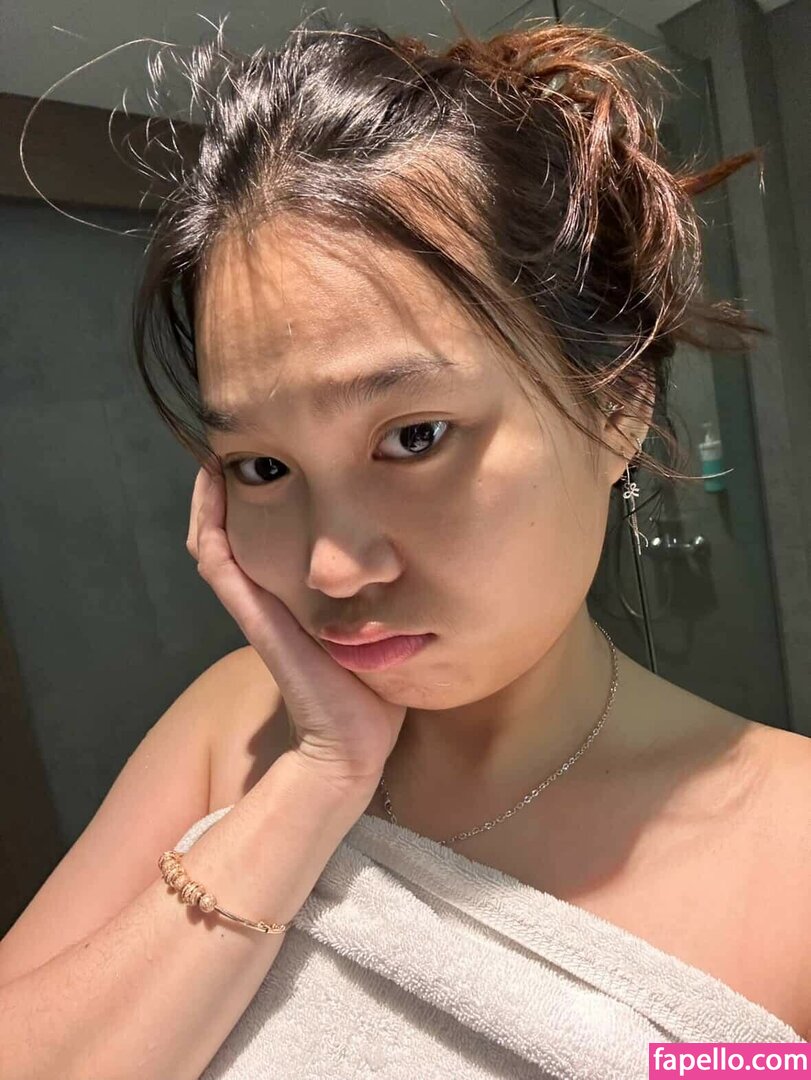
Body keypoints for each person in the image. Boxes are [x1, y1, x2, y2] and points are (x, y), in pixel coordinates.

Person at [1, 11, 809, 1079]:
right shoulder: (233, 725)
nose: (332, 570)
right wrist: (316, 783)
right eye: (261, 466)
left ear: (617, 406)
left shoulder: (791, 849)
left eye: (414, 437)